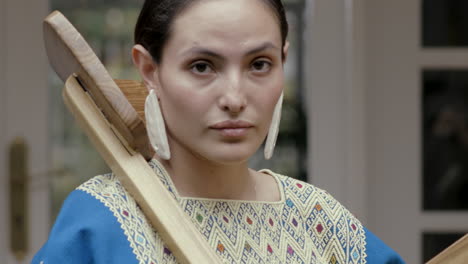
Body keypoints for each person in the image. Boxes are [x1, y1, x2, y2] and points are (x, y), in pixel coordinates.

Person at [33, 0, 405, 263]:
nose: (234, 97)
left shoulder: (320, 220)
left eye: (259, 64)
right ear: (149, 70)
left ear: (283, 62)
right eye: (202, 66)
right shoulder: (101, 221)